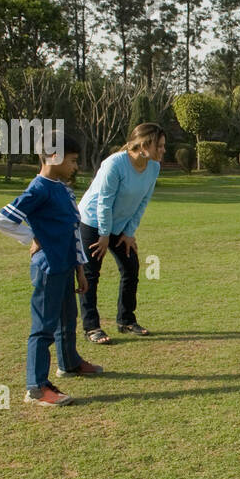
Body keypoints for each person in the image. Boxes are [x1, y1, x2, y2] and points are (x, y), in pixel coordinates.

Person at [0, 132, 103, 407]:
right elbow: (0, 219)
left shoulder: (62, 188)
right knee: (43, 327)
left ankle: (70, 363)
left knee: (68, 318)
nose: (76, 166)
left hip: (66, 266)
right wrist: (32, 238)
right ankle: (36, 387)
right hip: (47, 268)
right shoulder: (39, 189)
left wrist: (80, 268)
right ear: (54, 156)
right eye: (73, 160)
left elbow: (73, 230)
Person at [77, 123, 165, 343]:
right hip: (92, 222)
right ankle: (91, 327)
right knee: (91, 273)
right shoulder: (114, 164)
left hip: (120, 227)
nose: (163, 150)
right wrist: (104, 235)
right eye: (160, 146)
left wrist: (129, 232)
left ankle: (126, 320)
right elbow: (104, 203)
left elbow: (143, 201)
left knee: (131, 267)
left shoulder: (153, 167)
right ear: (144, 145)